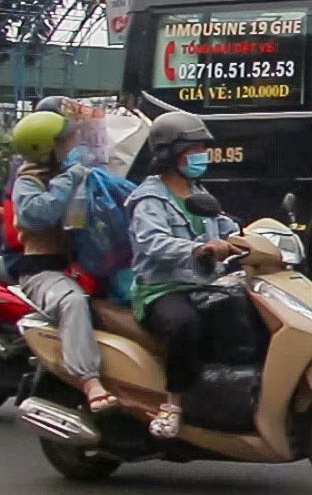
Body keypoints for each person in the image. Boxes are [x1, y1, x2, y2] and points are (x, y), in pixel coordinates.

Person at [126, 112, 238, 438]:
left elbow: (228, 226)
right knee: (183, 324)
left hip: (204, 283)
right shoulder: (149, 198)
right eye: (194, 148)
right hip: (162, 289)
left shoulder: (197, 192)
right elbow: (151, 242)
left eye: (202, 147)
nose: (201, 154)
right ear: (170, 154)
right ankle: (172, 405)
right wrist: (197, 249)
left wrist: (253, 237)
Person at [8, 101, 116, 412]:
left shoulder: (84, 174)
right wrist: (71, 177)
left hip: (83, 266)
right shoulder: (28, 182)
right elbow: (38, 215)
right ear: (46, 149)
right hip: (42, 271)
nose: (75, 145)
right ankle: (88, 379)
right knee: (71, 302)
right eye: (67, 142)